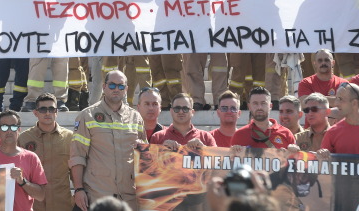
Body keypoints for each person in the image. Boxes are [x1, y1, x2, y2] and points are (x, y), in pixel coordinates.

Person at [70, 69, 144, 211]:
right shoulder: (87, 116)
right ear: (104, 87)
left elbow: (144, 155)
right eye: (112, 85)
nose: (116, 89)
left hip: (128, 197)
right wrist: (78, 189)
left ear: (126, 89)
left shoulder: (136, 118)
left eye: (121, 86)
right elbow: (77, 156)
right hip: (97, 195)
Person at [0, 110, 47, 211]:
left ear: (19, 130)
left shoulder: (31, 157)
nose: (9, 131)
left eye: (13, 127)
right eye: (4, 127)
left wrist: (22, 181)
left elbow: (41, 195)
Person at [18, 92, 74, 211]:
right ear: (35, 113)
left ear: (56, 112)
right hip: (34, 205)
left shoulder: (69, 137)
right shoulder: (24, 139)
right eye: (43, 109)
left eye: (51, 109)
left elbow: (76, 170)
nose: (48, 113)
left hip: (62, 204)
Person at [231, 87, 295, 149]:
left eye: (263, 103)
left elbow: (295, 159)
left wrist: (294, 152)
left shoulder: (286, 134)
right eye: (255, 103)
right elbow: (230, 159)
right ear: (249, 106)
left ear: (270, 106)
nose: (259, 107)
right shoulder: (239, 135)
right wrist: (234, 152)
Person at [150, 92, 216, 151]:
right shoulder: (157, 137)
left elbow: (217, 162)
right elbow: (148, 163)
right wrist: (161, 150)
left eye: (185, 109)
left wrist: (204, 149)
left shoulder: (206, 137)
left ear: (192, 112)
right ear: (171, 111)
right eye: (177, 109)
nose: (181, 112)